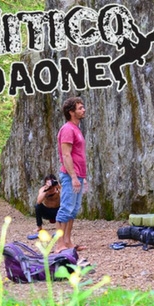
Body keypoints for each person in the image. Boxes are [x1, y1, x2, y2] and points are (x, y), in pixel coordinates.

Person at [56, 96, 87, 253]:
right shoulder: (67, 129)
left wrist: (82, 177)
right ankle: (59, 244)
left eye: (83, 107)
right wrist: (73, 177)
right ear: (71, 112)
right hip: (69, 176)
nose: (83, 110)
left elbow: (78, 154)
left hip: (78, 175)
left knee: (73, 209)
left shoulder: (77, 128)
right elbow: (66, 155)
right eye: (80, 108)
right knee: (65, 208)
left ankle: (68, 241)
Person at [28, 174, 60, 240]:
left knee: (65, 207)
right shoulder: (43, 189)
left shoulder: (58, 188)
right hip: (47, 212)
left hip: (57, 212)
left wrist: (58, 187)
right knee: (37, 206)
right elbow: (38, 201)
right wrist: (46, 191)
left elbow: (67, 197)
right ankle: (39, 227)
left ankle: (61, 227)